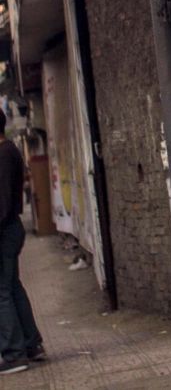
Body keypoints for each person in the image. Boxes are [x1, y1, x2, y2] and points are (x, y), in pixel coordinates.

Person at [0, 110, 44, 375]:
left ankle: (15, 354)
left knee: (2, 292)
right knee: (11, 287)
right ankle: (31, 345)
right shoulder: (10, 152)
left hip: (4, 230)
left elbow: (2, 202)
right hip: (9, 229)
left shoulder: (4, 155)